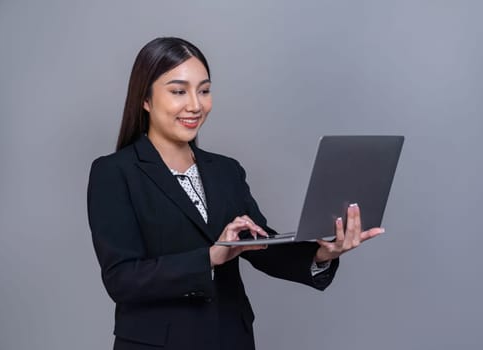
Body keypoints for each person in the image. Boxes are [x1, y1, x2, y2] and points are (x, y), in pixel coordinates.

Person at [87, 37, 384, 350]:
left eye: (204, 90)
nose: (195, 104)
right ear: (145, 99)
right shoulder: (115, 172)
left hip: (231, 338)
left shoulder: (225, 170)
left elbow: (259, 246)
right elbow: (122, 279)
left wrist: (323, 253)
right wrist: (210, 257)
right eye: (178, 91)